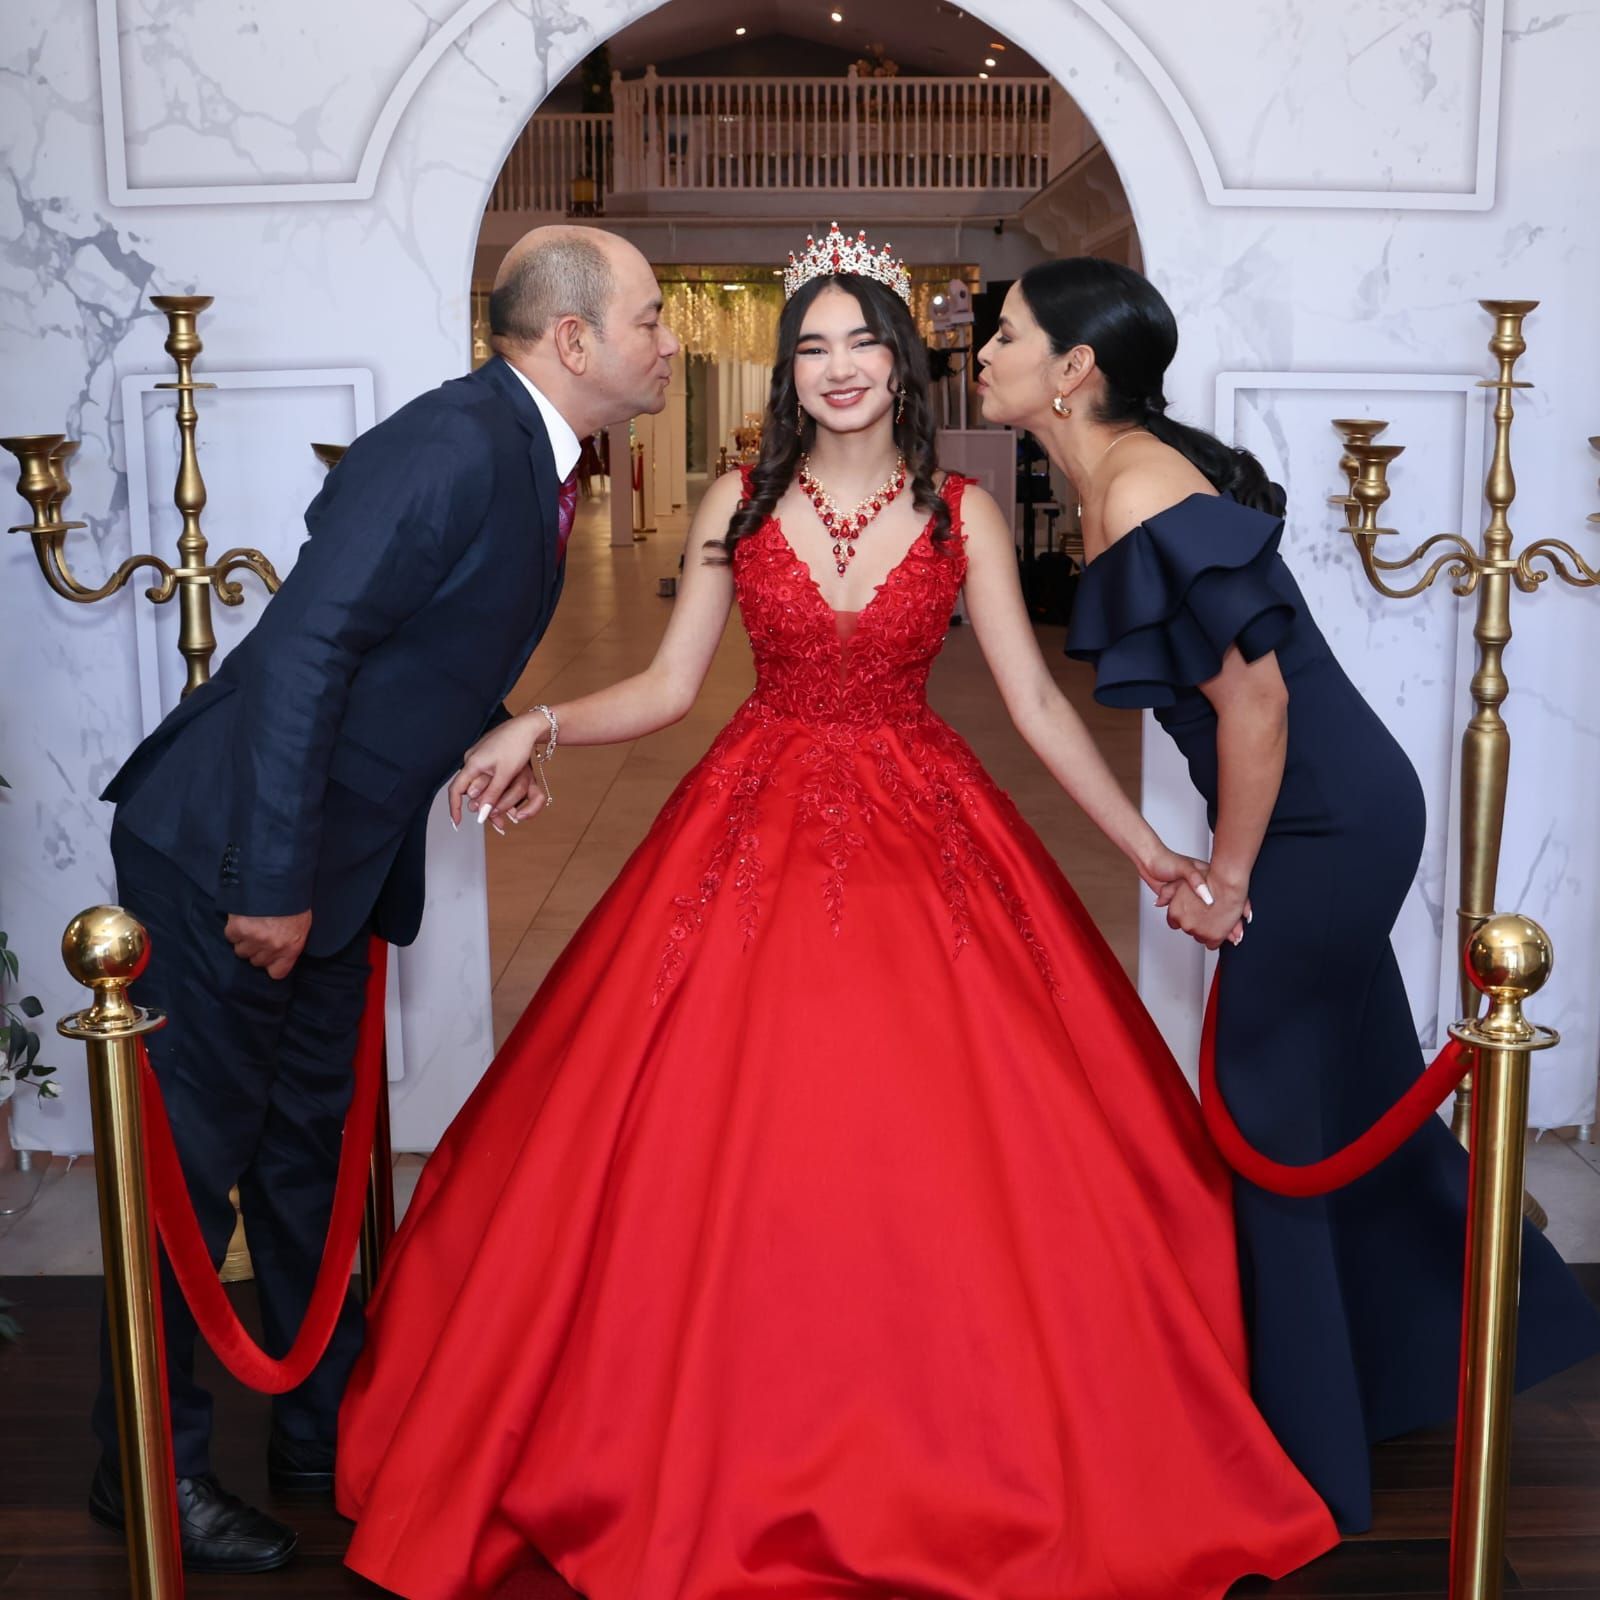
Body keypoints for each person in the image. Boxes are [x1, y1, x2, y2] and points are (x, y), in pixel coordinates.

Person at [335, 226, 1338, 1599]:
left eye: (863, 338)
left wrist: (1156, 850)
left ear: (901, 359)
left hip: (924, 817)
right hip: (753, 809)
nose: (840, 366)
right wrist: (544, 723)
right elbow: (674, 686)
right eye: (812, 345)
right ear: (787, 373)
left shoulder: (966, 515)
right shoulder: (736, 502)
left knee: (957, 1132)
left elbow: (1040, 707)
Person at [975, 254, 1600, 1533]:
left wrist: (1229, 879)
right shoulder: (1115, 480)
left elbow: (1254, 701)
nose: (982, 349)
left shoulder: (1145, 488)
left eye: (1006, 332)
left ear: (1073, 370)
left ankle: (1306, 1459)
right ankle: (1436, 1358)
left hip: (1322, 827)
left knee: (1262, 1122)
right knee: (1349, 1100)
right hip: (1325, 815)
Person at [91, 226, 679, 1574]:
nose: (668, 341)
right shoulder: (453, 445)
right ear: (572, 339)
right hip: (235, 860)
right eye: (649, 317)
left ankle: (320, 1430)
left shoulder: (529, 454)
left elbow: (410, 650)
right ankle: (150, 1476)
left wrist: (495, 729)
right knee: (195, 1174)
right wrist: (276, 882)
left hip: (332, 871)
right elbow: (304, 658)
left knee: (308, 1162)